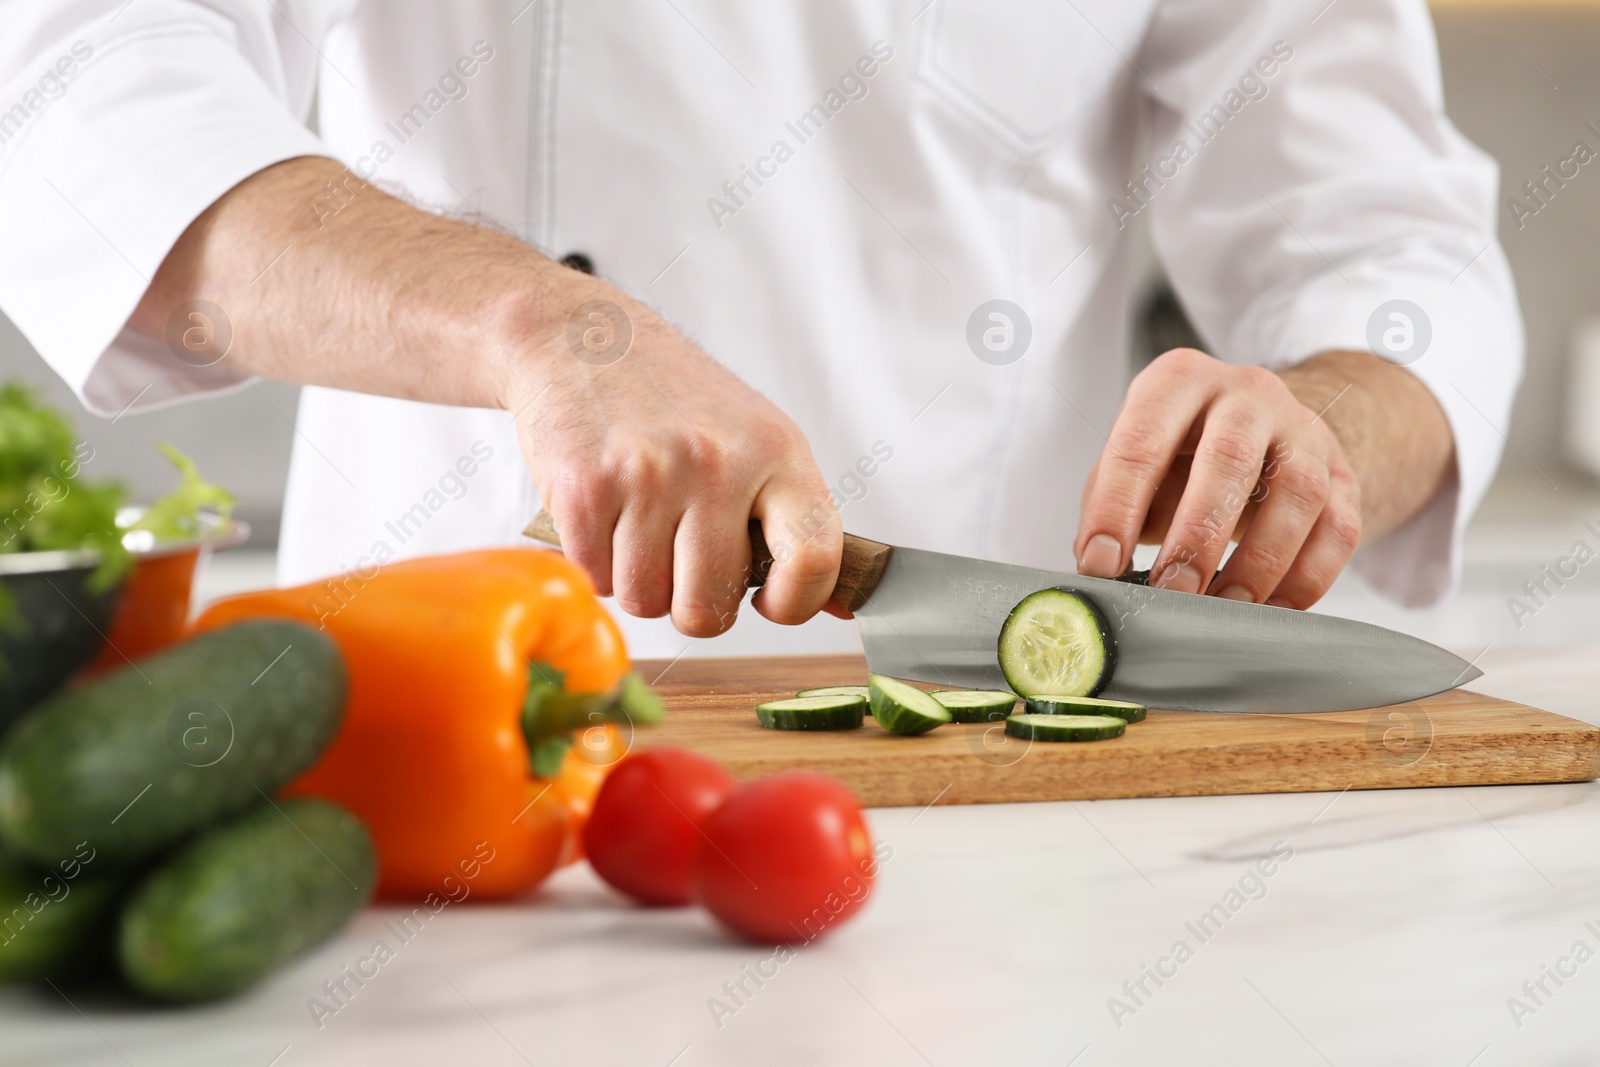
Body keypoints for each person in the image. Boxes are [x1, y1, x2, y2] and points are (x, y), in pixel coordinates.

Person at [0, 1, 1522, 657]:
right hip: (426, 751)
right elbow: (75, 85)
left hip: (977, 771)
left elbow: (1383, 232)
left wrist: (1328, 425)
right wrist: (540, 324)